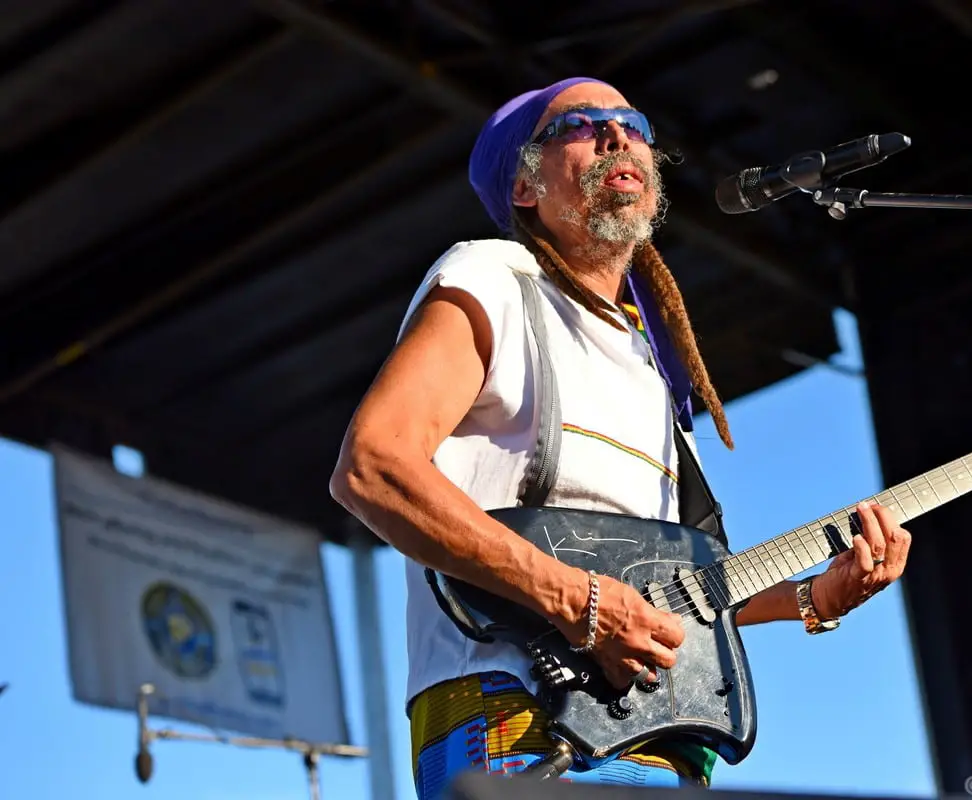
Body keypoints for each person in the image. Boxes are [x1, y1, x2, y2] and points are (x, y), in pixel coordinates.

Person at [329, 76, 911, 798]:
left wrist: (813, 599)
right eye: (581, 124)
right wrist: (583, 605)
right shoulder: (493, 276)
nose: (617, 135)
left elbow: (668, 591)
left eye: (633, 124)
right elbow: (373, 467)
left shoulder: (649, 360)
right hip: (520, 713)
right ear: (524, 187)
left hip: (667, 735)